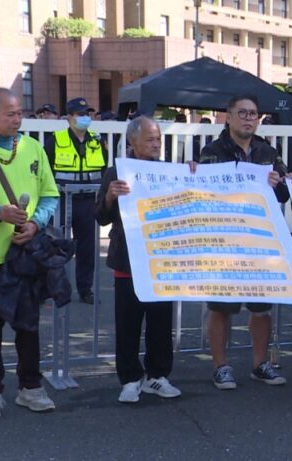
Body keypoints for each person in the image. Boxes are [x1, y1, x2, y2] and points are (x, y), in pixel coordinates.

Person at [0, 87, 59, 421]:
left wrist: (35, 224)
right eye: (9, 113)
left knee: (28, 324)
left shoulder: (33, 147)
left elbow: (50, 195)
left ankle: (31, 386)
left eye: (19, 112)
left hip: (24, 254)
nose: (17, 119)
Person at [199, 94, 290, 390]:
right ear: (229, 117)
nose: (249, 119)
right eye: (243, 113)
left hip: (259, 240)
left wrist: (279, 183)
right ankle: (220, 366)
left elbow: (285, 191)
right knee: (221, 306)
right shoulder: (212, 152)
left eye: (253, 114)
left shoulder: (267, 151)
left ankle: (260, 364)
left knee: (261, 307)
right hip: (224, 240)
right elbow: (201, 191)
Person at [94, 116, 186, 403]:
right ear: (132, 142)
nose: (156, 144)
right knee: (128, 325)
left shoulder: (169, 172)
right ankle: (130, 379)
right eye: (150, 139)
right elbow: (101, 216)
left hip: (162, 260)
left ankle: (158, 376)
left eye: (158, 139)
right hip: (128, 261)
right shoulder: (116, 172)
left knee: (160, 323)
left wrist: (193, 174)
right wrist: (110, 197)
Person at [44, 97, 107, 305]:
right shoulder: (56, 139)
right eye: (80, 114)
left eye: (87, 114)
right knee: (55, 246)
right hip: (62, 199)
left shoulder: (97, 140)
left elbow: (104, 169)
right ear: (69, 117)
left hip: (88, 200)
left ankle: (85, 289)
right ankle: (53, 288)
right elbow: (45, 170)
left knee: (87, 248)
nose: (85, 117)